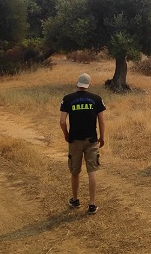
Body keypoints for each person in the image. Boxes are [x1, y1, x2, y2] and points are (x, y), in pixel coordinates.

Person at [60, 73, 106, 214]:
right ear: (89, 85)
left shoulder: (68, 99)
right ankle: (92, 204)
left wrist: (66, 135)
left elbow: (62, 122)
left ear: (77, 84)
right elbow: (102, 121)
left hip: (75, 140)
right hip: (91, 139)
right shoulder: (96, 99)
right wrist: (102, 137)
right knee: (92, 171)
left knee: (75, 171)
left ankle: (75, 200)